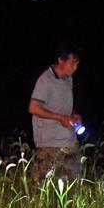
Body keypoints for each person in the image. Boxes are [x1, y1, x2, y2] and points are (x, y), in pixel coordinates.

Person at [28, 44, 84, 182]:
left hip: (69, 142)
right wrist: (60, 118)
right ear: (61, 60)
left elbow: (63, 107)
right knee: (44, 191)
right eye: (72, 63)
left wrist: (74, 115)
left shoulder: (68, 79)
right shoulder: (45, 80)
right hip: (49, 145)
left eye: (77, 64)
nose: (75, 68)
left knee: (72, 188)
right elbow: (33, 107)